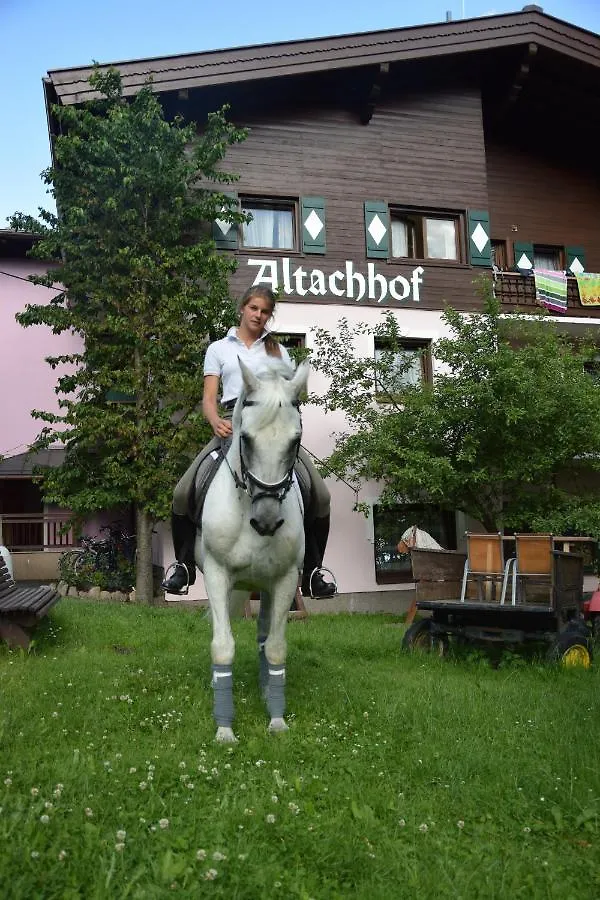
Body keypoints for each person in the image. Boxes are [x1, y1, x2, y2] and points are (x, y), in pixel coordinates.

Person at [161, 285, 337, 599]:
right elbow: (209, 399)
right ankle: (184, 565)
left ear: (269, 316)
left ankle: (313, 571)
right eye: (254, 308)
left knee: (321, 496)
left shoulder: (278, 351)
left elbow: (290, 396)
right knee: (181, 493)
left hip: (271, 430)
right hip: (230, 425)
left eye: (265, 311)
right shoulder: (218, 349)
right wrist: (215, 421)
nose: (259, 315)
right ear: (242, 308)